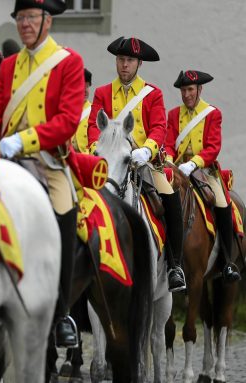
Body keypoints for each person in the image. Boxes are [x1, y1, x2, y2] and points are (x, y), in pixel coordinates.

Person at [0, 0, 85, 347]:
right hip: (4, 157)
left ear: (47, 21)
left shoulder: (68, 63)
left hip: (47, 159)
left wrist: (22, 141)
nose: (24, 24)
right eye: (20, 17)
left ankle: (61, 312)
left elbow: (68, 121)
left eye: (31, 17)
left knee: (64, 210)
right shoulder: (8, 66)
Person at [86, 36, 187, 293]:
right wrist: (95, 152)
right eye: (120, 59)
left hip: (143, 162)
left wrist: (147, 149)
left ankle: (174, 265)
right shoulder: (102, 93)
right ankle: (84, 262)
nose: (124, 65)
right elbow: (92, 128)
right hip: (111, 162)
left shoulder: (153, 94)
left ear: (139, 63)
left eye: (129, 60)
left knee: (171, 198)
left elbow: (159, 127)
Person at [165, 70, 241, 283]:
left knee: (222, 202)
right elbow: (169, 143)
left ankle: (227, 262)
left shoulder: (212, 113)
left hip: (205, 170)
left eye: (190, 89)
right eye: (183, 90)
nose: (186, 94)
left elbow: (213, 147)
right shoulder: (173, 115)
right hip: (179, 168)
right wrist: (171, 162)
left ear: (199, 89)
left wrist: (194, 163)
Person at [72, 68, 92, 153]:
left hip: (86, 160)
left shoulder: (94, 111)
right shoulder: (63, 108)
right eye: (82, 86)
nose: (85, 90)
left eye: (87, 86)